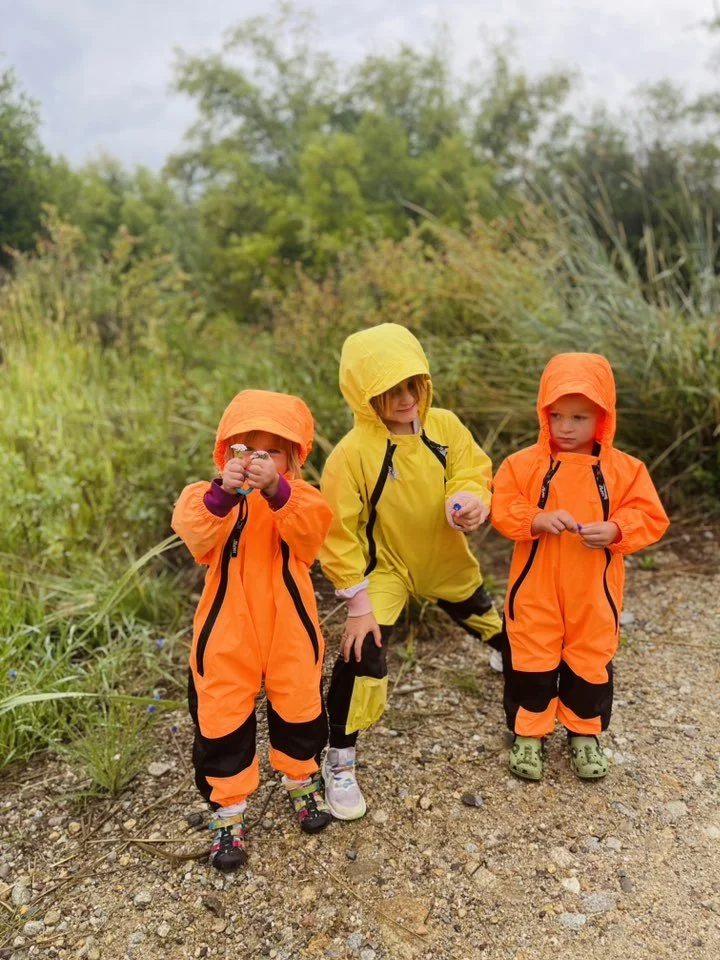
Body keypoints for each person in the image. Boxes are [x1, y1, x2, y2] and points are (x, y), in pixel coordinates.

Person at [318, 323, 503, 821]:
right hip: (387, 571)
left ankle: (509, 660)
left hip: (444, 558)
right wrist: (357, 604)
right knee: (361, 654)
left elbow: (471, 468)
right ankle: (339, 759)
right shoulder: (351, 454)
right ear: (364, 395)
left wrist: (470, 501)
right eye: (389, 391)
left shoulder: (443, 425)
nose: (404, 400)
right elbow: (338, 531)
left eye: (411, 386)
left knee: (501, 632)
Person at [172, 389, 333, 870]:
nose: (255, 459)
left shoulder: (301, 498)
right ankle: (228, 807)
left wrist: (277, 492)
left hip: (290, 625)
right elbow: (195, 534)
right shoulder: (207, 498)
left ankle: (302, 779)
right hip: (227, 630)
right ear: (225, 454)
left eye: (271, 451)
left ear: (293, 459)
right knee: (221, 712)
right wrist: (223, 492)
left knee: (300, 704)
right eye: (244, 448)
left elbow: (311, 535)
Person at [491, 353, 669, 781]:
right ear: (543, 413)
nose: (566, 427)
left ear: (603, 418)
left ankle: (583, 733)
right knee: (531, 657)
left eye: (580, 417)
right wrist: (535, 519)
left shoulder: (625, 470)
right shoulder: (523, 464)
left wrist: (616, 528)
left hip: (594, 592)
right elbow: (503, 504)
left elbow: (650, 517)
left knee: (589, 659)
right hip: (534, 590)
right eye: (557, 416)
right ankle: (529, 734)